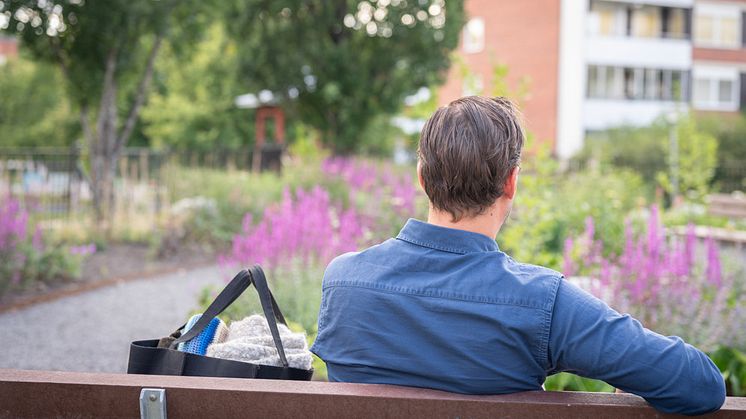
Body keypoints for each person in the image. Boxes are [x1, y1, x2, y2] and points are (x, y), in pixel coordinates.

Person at [310, 96, 726, 415]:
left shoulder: (344, 281)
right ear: (511, 182)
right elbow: (701, 386)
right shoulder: (544, 304)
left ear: (421, 178)